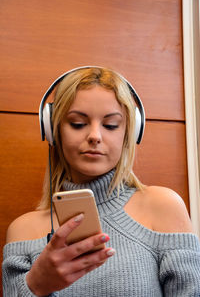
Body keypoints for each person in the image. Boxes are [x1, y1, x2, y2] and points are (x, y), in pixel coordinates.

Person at [2, 66, 200, 297]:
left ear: (129, 132)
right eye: (77, 123)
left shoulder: (163, 207)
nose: (95, 135)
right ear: (53, 130)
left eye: (110, 125)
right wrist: (36, 285)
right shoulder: (23, 231)